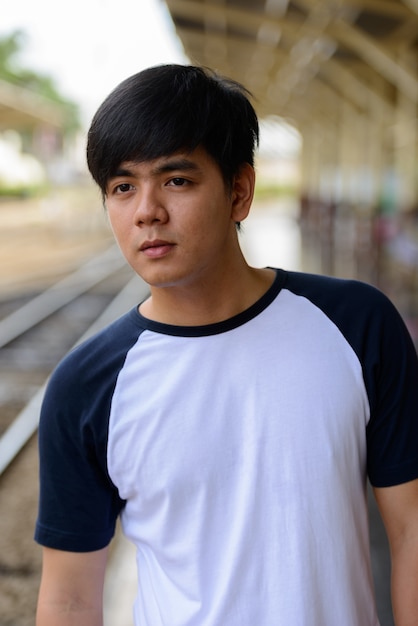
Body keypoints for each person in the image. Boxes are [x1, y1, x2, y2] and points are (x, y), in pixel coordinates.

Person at [35, 64, 418, 626]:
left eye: (177, 180)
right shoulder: (88, 386)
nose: (147, 211)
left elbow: (410, 529)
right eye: (122, 187)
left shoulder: (356, 325)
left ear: (239, 190)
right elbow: (69, 598)